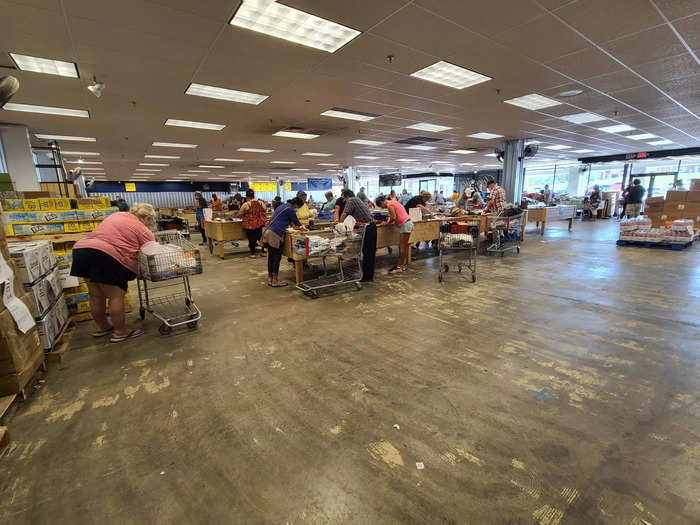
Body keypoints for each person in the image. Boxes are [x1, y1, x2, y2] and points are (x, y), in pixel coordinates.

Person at [70, 203, 156, 343]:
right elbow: (151, 253)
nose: (151, 224)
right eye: (151, 220)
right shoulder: (144, 230)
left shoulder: (117, 215)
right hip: (106, 255)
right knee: (116, 296)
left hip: (82, 250)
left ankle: (103, 327)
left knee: (96, 295)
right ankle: (121, 332)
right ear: (147, 218)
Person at [262, 197, 304, 287]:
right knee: (277, 258)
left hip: (268, 232)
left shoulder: (282, 206)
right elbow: (297, 223)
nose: (298, 209)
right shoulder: (290, 210)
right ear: (296, 204)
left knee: (271, 257)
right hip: (275, 235)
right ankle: (275, 280)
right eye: (299, 207)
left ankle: (270, 278)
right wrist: (303, 227)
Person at [339, 189, 376, 282]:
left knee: (367, 253)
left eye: (342, 196)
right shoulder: (357, 199)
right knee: (369, 253)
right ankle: (368, 276)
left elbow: (344, 215)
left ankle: (366, 277)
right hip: (371, 227)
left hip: (367, 228)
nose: (342, 198)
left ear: (346, 195)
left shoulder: (350, 201)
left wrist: (339, 225)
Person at [376, 195, 413, 274]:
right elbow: (392, 217)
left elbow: (393, 217)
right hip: (407, 223)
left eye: (381, 206)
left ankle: (399, 267)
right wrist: (386, 222)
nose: (382, 208)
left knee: (402, 246)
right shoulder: (393, 202)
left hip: (405, 224)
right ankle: (402, 265)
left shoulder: (389, 205)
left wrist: (386, 223)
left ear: (382, 202)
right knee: (404, 246)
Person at [238, 188, 268, 258]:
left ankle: (253, 254)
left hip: (249, 224)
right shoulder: (260, 202)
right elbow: (265, 209)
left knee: (252, 239)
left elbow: (240, 214)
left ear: (247, 196)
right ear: (253, 196)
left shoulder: (246, 204)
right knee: (260, 237)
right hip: (259, 223)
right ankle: (263, 252)